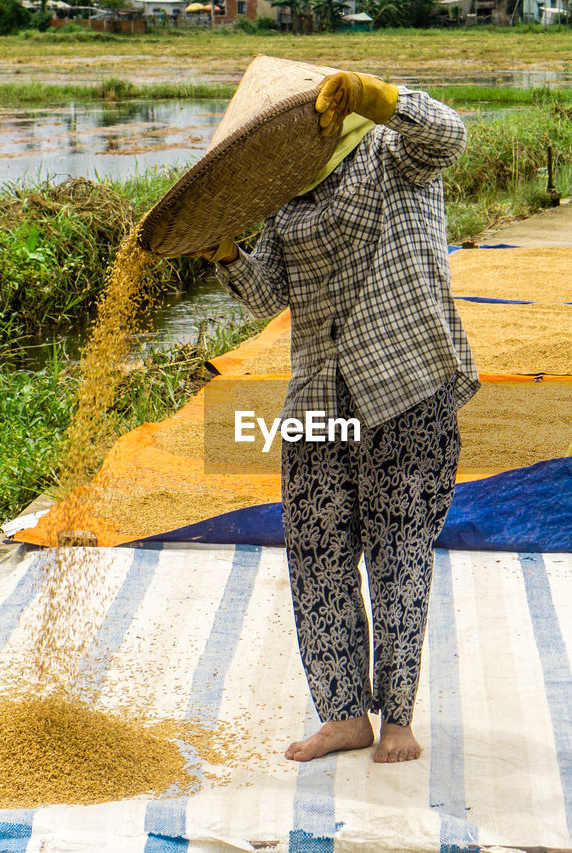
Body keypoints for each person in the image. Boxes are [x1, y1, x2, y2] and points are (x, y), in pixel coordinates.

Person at [198, 70, 478, 764]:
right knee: (317, 555)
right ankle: (344, 714)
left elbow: (450, 133)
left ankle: (400, 717)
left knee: (398, 551)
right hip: (321, 399)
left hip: (405, 382)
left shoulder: (392, 149)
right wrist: (223, 247)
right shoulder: (286, 201)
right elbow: (267, 295)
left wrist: (374, 96)